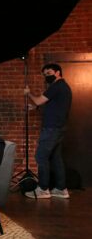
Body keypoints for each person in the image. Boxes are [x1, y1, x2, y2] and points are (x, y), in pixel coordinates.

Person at [24, 63, 72, 199]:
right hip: (59, 128)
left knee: (41, 156)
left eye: (49, 73)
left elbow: (39, 101)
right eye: (45, 74)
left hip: (51, 128)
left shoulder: (56, 86)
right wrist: (36, 108)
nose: (47, 76)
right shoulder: (63, 87)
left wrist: (29, 94)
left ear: (58, 73)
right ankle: (61, 189)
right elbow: (55, 106)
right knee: (56, 158)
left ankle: (43, 189)